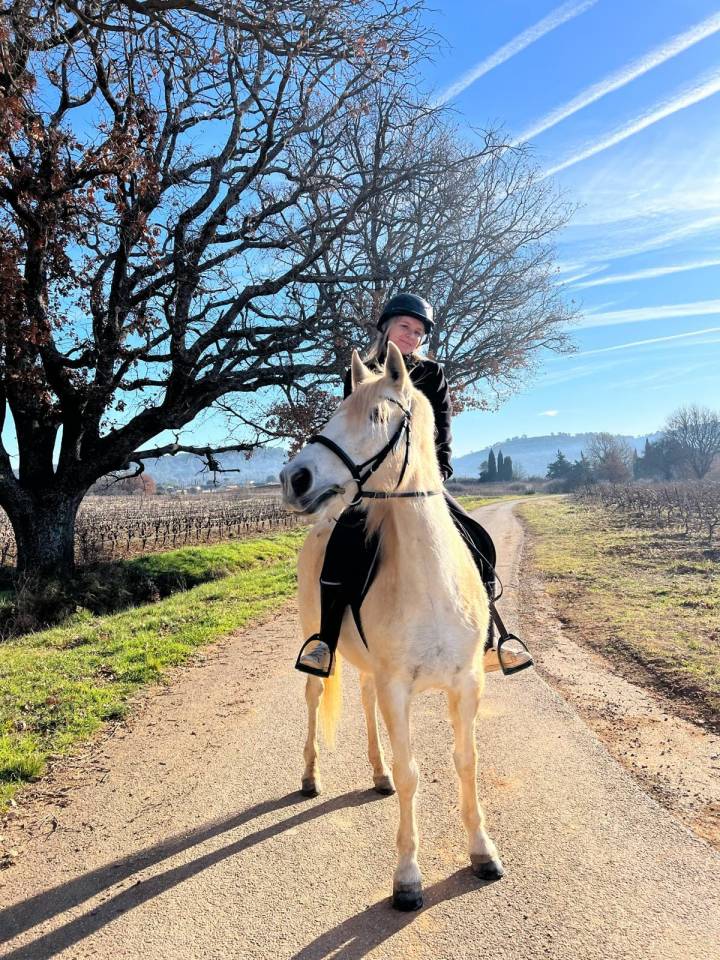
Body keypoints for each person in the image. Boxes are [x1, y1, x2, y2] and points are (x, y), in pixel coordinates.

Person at [295, 292, 533, 679]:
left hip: (421, 483)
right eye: (406, 326)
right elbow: (357, 433)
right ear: (386, 326)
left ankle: (491, 640)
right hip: (373, 487)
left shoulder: (432, 375)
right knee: (341, 544)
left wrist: (435, 477)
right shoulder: (362, 372)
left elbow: (442, 433)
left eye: (419, 331)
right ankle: (325, 640)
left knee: (477, 538)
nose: (412, 336)